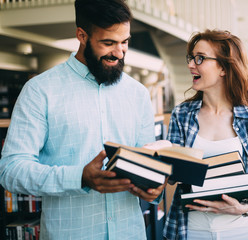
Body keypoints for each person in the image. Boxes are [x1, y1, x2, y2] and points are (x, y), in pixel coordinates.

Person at [0, 0, 165, 239]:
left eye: (125, 42)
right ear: (82, 35)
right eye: (108, 43)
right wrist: (79, 177)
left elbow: (146, 160)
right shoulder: (39, 91)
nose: (119, 53)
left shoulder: (138, 93)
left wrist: (153, 188)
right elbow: (11, 170)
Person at [163, 29, 248, 240]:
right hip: (192, 229)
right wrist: (159, 158)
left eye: (200, 58)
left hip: (242, 229)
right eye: (191, 58)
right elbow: (171, 176)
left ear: (223, 67)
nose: (190, 65)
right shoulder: (182, 115)